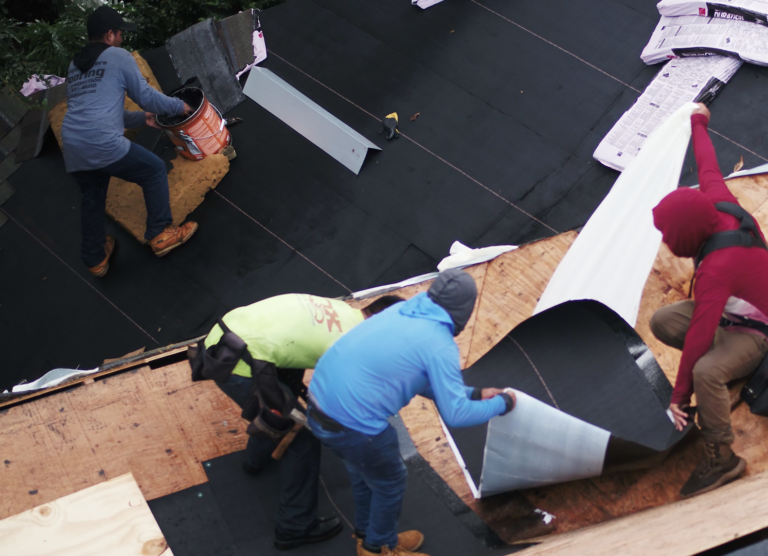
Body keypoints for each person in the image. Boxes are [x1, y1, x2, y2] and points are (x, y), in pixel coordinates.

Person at [307, 269, 516, 556]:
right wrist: (503, 404)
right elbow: (457, 415)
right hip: (354, 427)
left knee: (363, 472)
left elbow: (417, 379)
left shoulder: (405, 310)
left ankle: (369, 535)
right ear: (464, 312)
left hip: (319, 405)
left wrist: (476, 394)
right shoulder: (439, 344)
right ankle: (377, 549)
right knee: (390, 480)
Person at [200, 293, 403, 551]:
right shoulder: (351, 344)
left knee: (282, 409)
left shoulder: (344, 311)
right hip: (238, 363)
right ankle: (294, 527)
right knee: (300, 439)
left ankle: (255, 461)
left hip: (225, 336)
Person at [650, 102, 768, 498]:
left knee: (705, 371)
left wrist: (679, 396)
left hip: (759, 330)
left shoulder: (717, 270)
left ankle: (722, 458)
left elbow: (701, 334)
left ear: (687, 233)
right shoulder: (716, 201)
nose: (667, 243)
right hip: (735, 314)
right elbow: (709, 166)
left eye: (669, 235)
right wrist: (698, 121)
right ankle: (729, 369)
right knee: (663, 320)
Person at [62, 6, 198, 278]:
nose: (123, 39)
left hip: (74, 146)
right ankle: (160, 233)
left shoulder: (75, 66)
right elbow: (146, 96)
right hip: (101, 142)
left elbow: (95, 111)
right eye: (120, 33)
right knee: (153, 170)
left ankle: (95, 258)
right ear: (110, 35)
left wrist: (140, 119)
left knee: (92, 197)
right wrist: (180, 107)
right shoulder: (118, 56)